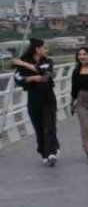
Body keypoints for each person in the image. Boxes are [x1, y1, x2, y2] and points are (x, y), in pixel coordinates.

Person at [12, 38, 60, 166]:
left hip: (48, 97)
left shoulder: (48, 61)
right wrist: (32, 78)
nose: (46, 50)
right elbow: (18, 78)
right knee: (39, 126)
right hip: (33, 97)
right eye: (44, 48)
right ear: (37, 49)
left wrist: (24, 64)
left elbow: (45, 73)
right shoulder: (24, 63)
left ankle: (52, 152)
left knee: (49, 125)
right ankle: (44, 152)